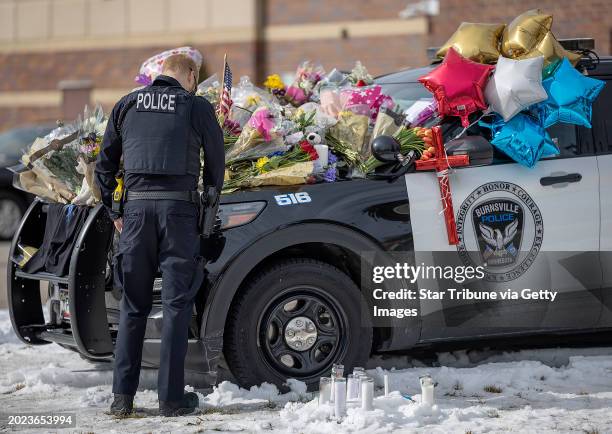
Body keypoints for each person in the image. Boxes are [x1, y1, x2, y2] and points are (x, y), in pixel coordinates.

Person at [95, 54, 225, 417]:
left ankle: (122, 399)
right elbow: (216, 166)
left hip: (135, 216)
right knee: (176, 306)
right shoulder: (195, 106)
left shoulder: (126, 104)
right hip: (179, 216)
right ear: (191, 76)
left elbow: (103, 168)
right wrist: (208, 214)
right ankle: (170, 399)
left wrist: (116, 211)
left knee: (133, 308)